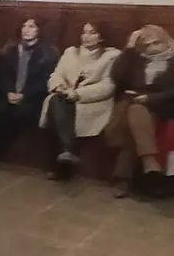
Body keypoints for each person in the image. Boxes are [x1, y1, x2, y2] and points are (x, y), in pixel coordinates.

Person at [40, 22, 120, 178]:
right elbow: (56, 74)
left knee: (57, 106)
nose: (86, 37)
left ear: (102, 36)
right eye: (84, 33)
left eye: (92, 33)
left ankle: (63, 159)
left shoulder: (111, 56)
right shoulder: (71, 52)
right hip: (64, 96)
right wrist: (59, 87)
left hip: (91, 102)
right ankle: (68, 150)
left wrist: (78, 94)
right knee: (56, 101)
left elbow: (107, 86)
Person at [104, 25, 174, 198]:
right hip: (137, 104)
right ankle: (150, 165)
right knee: (135, 113)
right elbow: (116, 76)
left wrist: (150, 98)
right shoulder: (137, 59)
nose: (153, 48)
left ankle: (124, 178)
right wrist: (129, 47)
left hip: (165, 105)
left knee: (133, 120)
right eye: (147, 45)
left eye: (157, 43)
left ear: (166, 40)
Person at [0, 18, 58, 165]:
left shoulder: (47, 53)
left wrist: (24, 95)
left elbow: (45, 80)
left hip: (31, 97)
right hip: (9, 95)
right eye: (24, 26)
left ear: (39, 30)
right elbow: (3, 75)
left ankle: (4, 151)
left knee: (22, 113)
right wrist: (8, 92)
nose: (26, 29)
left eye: (31, 26)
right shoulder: (10, 50)